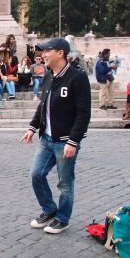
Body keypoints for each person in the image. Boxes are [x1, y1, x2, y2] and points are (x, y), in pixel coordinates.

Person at [20, 38, 91, 234]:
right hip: (47, 139)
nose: (43, 54)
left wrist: (73, 141)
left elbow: (83, 114)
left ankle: (63, 218)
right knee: (36, 174)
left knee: (65, 183)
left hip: (65, 141)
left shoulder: (78, 78)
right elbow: (42, 106)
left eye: (47, 50)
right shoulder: (49, 76)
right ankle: (49, 209)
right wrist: (32, 128)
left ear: (60, 53)